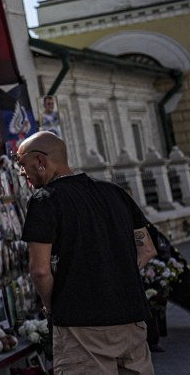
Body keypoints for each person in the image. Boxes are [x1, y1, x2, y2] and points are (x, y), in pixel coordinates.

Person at [17, 131, 156, 375]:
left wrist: (51, 307)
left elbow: (39, 270)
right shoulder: (115, 193)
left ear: (40, 161)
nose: (21, 172)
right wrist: (116, 277)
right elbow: (147, 249)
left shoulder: (45, 200)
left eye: (22, 164)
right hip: (131, 318)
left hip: (81, 324)